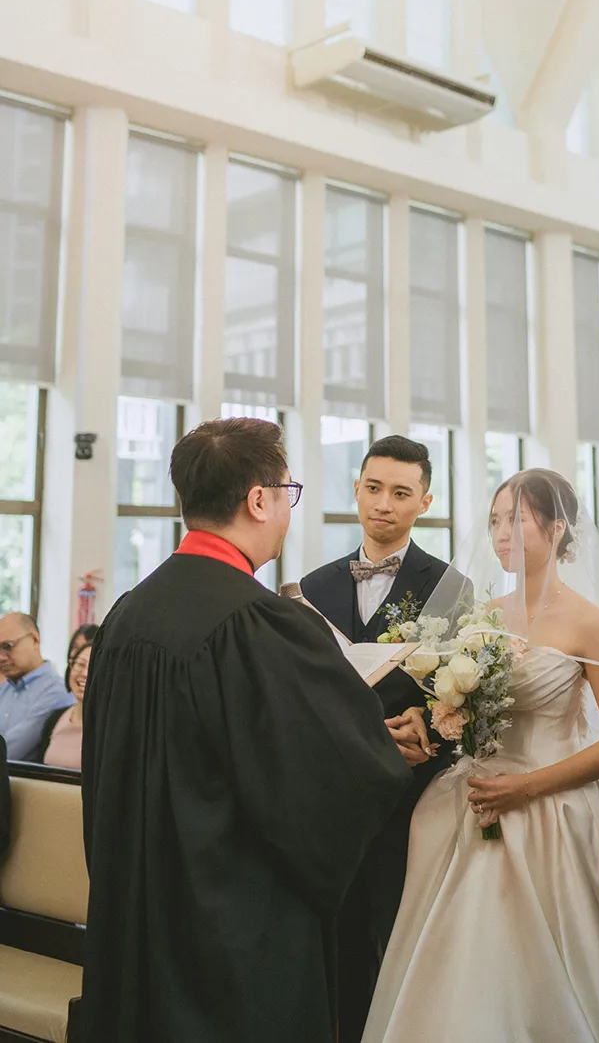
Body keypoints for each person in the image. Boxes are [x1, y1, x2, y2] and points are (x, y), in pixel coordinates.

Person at [72, 418, 410, 1043]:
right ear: (259, 500)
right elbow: (324, 781)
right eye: (289, 491)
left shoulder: (126, 616)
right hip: (229, 926)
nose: (288, 508)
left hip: (135, 906)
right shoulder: (257, 624)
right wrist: (383, 747)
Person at [362, 469, 599, 1043]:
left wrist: (528, 787)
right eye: (496, 520)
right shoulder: (482, 612)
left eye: (516, 519)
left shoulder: (591, 623)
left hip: (551, 811)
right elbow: (467, 709)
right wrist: (433, 718)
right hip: (471, 801)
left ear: (556, 528)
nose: (501, 533)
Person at [300, 435, 454, 1043]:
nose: (383, 504)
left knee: (400, 939)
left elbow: (469, 702)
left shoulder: (450, 586)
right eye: (372, 488)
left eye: (400, 492)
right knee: (332, 944)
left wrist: (431, 733)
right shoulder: (312, 586)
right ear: (356, 489)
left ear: (424, 501)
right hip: (329, 800)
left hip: (410, 799)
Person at [0, 613, 74, 759]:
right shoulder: (5, 689)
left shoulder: (56, 691)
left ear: (35, 640)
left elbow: (11, 750)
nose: (1, 657)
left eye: (7, 646)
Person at [34, 642, 91, 769]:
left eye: (94, 667)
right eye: (80, 664)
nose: (85, 673)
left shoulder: (112, 727)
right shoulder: (55, 717)